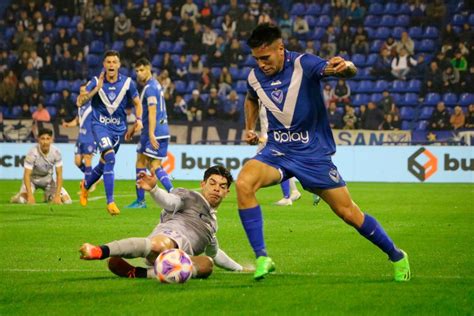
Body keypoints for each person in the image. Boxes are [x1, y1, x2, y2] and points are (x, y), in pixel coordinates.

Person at [236, 24, 410, 281]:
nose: (261, 64)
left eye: (266, 58)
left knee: (348, 213)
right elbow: (251, 98)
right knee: (243, 183)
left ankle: (396, 255)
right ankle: (263, 257)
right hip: (276, 151)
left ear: (280, 49)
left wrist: (346, 66)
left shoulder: (304, 64)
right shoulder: (254, 77)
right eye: (256, 59)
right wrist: (249, 128)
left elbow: (340, 70)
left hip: (312, 155)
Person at [79, 165, 243, 279]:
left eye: (222, 186)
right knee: (161, 245)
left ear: (227, 192)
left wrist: (239, 268)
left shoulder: (212, 224)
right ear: (203, 184)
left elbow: (215, 253)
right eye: (212, 183)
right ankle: (100, 251)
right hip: (169, 236)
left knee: (207, 265)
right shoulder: (190, 197)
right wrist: (154, 190)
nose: (216, 189)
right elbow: (170, 201)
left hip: (180, 259)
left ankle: (141, 273)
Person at [77, 50, 143, 215]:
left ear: (119, 65)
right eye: (108, 62)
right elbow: (79, 102)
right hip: (99, 126)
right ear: (104, 65)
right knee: (111, 158)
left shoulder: (128, 83)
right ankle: (110, 202)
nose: (111, 65)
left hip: (118, 130)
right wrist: (95, 90)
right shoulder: (95, 81)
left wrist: (139, 120)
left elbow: (137, 103)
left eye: (114, 62)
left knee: (102, 164)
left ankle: (85, 185)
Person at [127, 58, 174, 209]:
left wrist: (152, 134)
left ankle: (143, 201)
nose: (139, 74)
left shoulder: (150, 88)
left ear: (149, 69)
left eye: (142, 70)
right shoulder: (154, 85)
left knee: (147, 164)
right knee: (148, 163)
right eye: (137, 71)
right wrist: (134, 129)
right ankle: (171, 193)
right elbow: (145, 114)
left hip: (154, 132)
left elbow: (152, 112)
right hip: (157, 131)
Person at [10, 128, 72, 205]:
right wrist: (30, 196)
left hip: (48, 181)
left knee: (67, 201)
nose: (45, 142)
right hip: (32, 180)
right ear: (38, 140)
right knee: (23, 200)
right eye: (42, 139)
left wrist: (57, 196)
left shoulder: (56, 152)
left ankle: (48, 196)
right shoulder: (32, 153)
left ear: (51, 140)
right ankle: (17, 197)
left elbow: (59, 175)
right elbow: (26, 175)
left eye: (47, 139)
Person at [257, 101, 301, 206]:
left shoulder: (272, 101)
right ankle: (294, 192)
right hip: (266, 138)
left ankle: (287, 197)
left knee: (264, 165)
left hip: (270, 139)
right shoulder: (261, 100)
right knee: (282, 165)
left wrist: (268, 137)